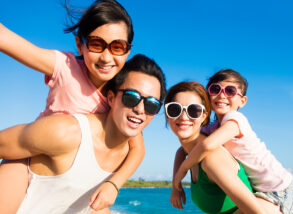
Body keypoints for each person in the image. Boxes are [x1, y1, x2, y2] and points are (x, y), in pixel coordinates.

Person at [0, 0, 145, 213]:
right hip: (26, 160)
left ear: (128, 51)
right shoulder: (64, 66)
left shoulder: (121, 95)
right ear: (80, 45)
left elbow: (137, 149)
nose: (106, 57)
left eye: (117, 47)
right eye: (96, 44)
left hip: (69, 178)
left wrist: (114, 185)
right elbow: (8, 40)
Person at [0, 54, 167, 214]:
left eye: (152, 105)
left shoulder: (129, 152)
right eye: (131, 97)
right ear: (111, 98)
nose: (140, 109)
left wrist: (113, 185)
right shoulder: (67, 132)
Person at [173, 69, 293, 214]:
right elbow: (182, 150)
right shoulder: (212, 129)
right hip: (257, 191)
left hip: (279, 190)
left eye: (230, 91)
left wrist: (181, 172)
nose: (222, 95)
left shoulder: (235, 119)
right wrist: (175, 188)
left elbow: (206, 145)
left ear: (242, 101)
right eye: (215, 89)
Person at [165, 81, 267, 214]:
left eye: (193, 110)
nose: (184, 117)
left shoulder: (211, 159)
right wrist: (175, 186)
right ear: (167, 114)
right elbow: (180, 152)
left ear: (203, 116)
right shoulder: (190, 151)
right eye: (175, 109)